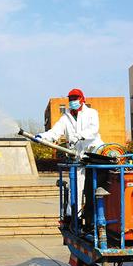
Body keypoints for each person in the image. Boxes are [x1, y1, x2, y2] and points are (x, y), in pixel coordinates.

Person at [36, 89, 103, 224]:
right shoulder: (65, 118)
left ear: (82, 99)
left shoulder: (91, 113)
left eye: (75, 98)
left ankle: (94, 218)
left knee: (95, 187)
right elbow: (55, 132)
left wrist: (79, 136)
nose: (72, 101)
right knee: (76, 187)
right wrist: (42, 137)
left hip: (94, 155)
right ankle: (74, 217)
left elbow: (93, 130)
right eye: (70, 99)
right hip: (78, 157)